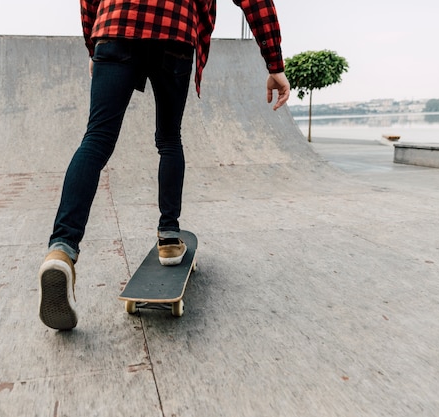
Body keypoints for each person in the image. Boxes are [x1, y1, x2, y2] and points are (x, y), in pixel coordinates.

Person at [38, 0, 290, 330]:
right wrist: (274, 63)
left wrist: (94, 42)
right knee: (169, 138)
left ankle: (62, 250)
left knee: (96, 140)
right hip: (173, 29)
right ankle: (169, 237)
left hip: (116, 25)